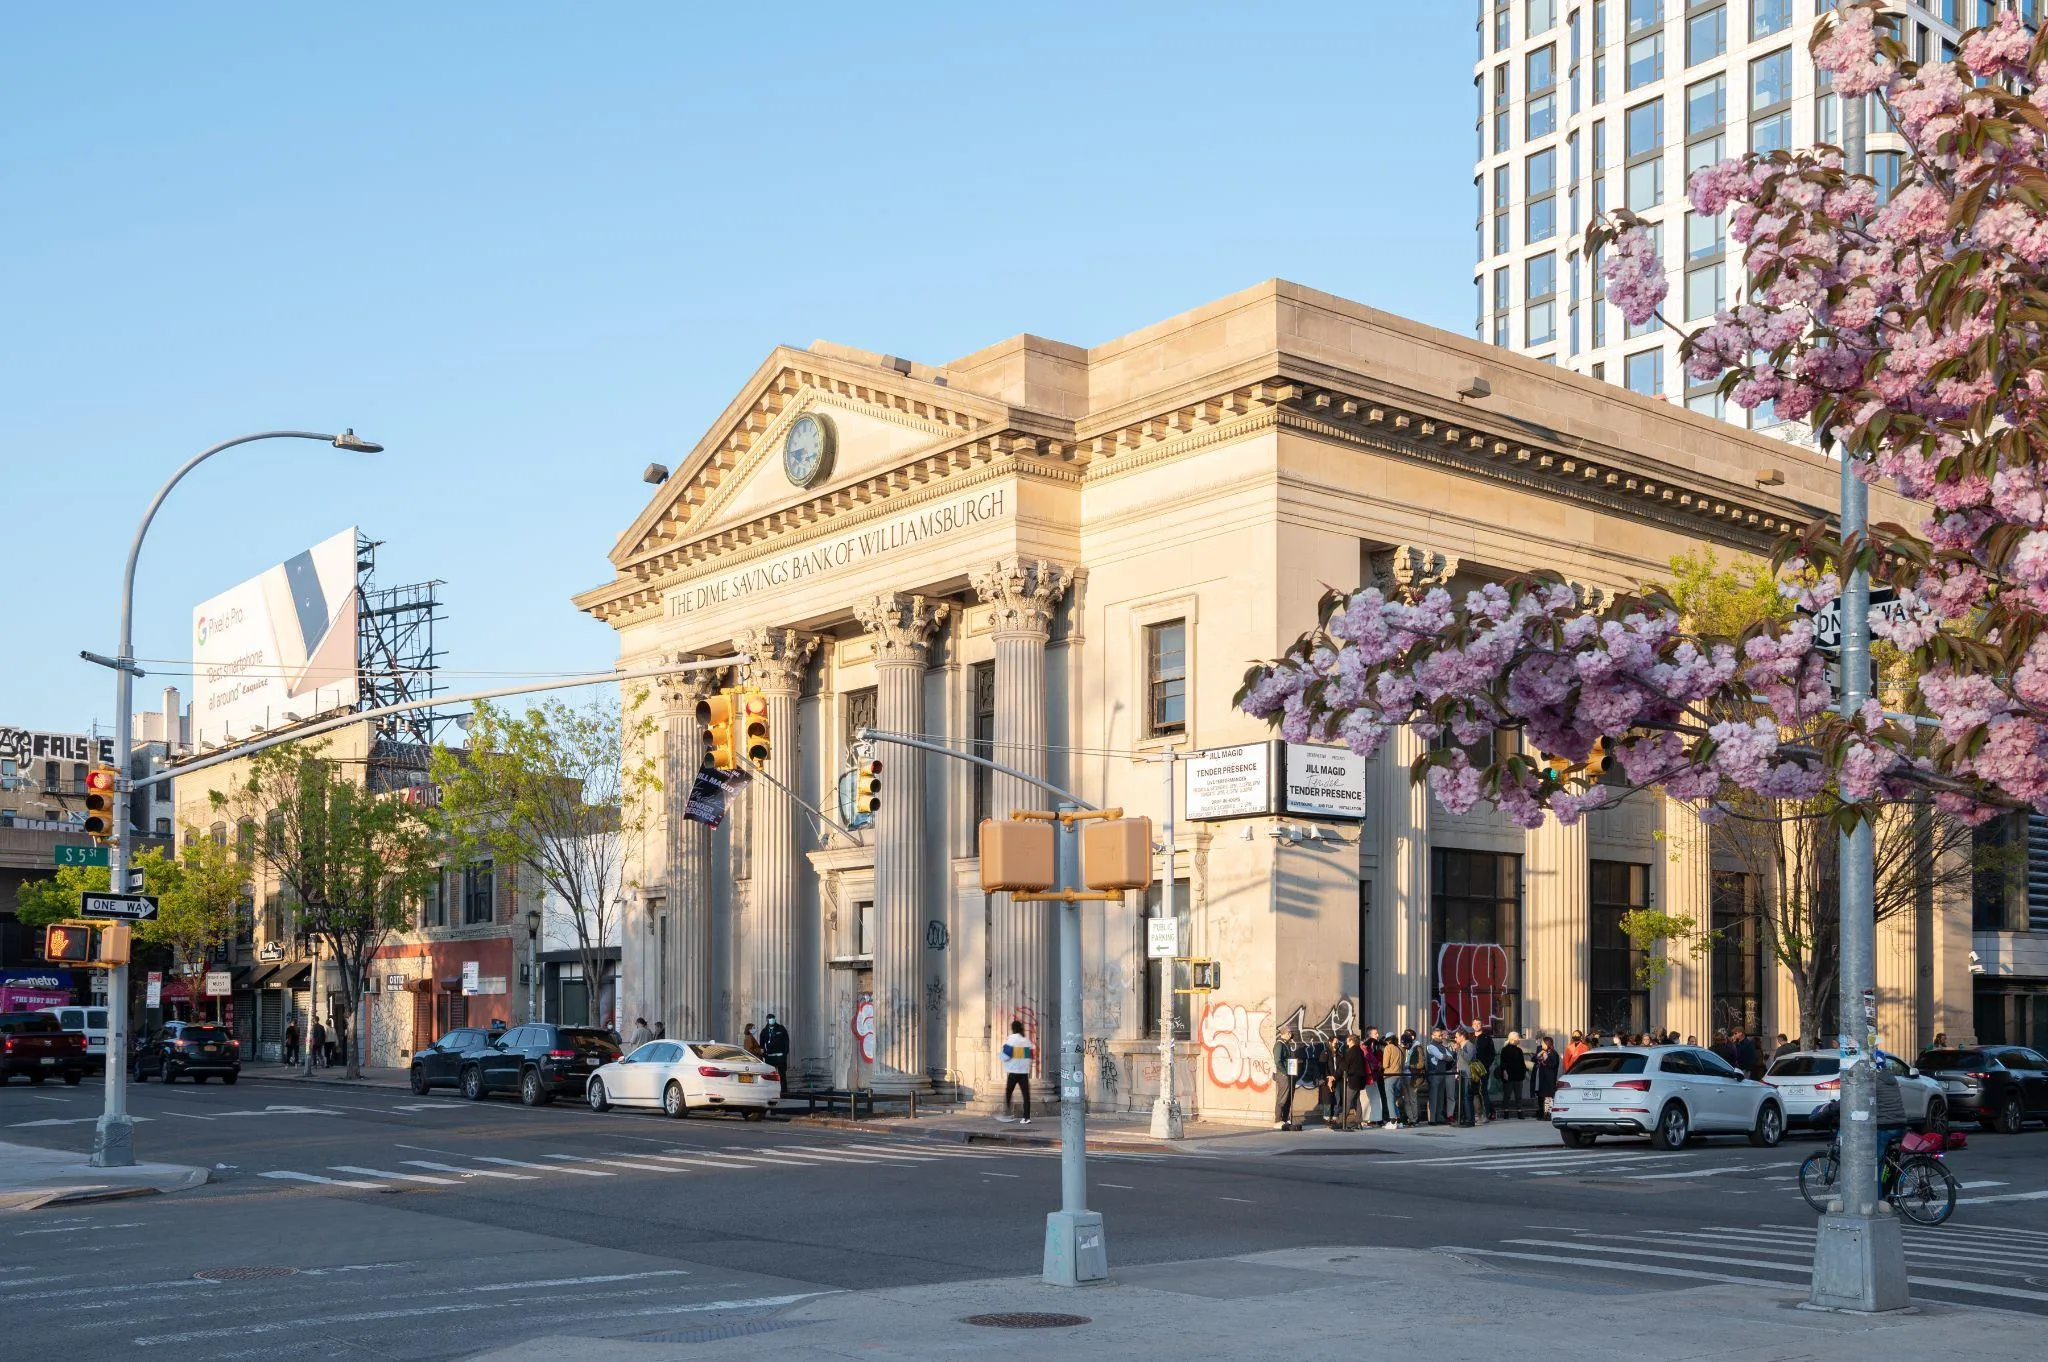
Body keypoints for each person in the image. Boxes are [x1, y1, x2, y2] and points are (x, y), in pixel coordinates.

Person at [1873, 1059, 1908, 1193]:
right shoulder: (1891, 1078)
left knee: (1876, 1163)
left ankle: (1878, 1199)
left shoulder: (1873, 1081)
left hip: (1885, 1126)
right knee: (1888, 1161)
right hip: (1900, 1125)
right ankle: (1888, 1190)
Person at [999, 1019, 1034, 1125]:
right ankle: (1027, 1117)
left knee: (1009, 1092)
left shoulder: (1011, 1039)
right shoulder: (1026, 1041)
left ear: (1013, 1028)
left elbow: (1005, 1056)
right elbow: (1031, 1056)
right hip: (1024, 1072)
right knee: (1026, 1095)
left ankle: (1007, 1113)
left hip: (1013, 1071)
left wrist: (1000, 1055)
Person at [1273, 1026, 1306, 1130]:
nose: (1291, 1034)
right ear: (1286, 1033)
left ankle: (1285, 1118)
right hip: (1283, 1075)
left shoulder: (1286, 1044)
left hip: (1290, 1074)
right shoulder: (1279, 1045)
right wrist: (1285, 1072)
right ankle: (1278, 1121)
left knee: (1288, 1098)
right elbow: (1278, 1061)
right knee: (1282, 1098)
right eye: (1290, 1032)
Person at [1335, 1033, 1367, 1131]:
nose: (1346, 1042)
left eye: (1348, 1040)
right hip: (1360, 1079)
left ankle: (1341, 1122)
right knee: (1357, 1101)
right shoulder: (1360, 1051)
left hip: (1353, 1079)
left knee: (1347, 1101)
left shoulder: (1351, 1051)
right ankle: (1358, 1122)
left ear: (1352, 1041)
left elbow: (1344, 1066)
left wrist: (1339, 1059)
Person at [1427, 1028, 1456, 1126]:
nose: (1440, 1037)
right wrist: (1446, 1057)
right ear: (1433, 1036)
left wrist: (1447, 1057)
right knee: (1434, 1097)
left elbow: (1450, 1056)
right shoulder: (1430, 1046)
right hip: (1434, 1073)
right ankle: (1432, 1119)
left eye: (1441, 1036)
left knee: (1440, 1097)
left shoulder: (1442, 1046)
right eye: (1438, 1036)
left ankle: (1438, 1117)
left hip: (1442, 1073)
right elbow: (1440, 1056)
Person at [1379, 1030, 1406, 1127]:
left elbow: (1385, 1064)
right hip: (1399, 1075)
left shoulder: (1388, 1048)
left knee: (1390, 1098)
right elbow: (1403, 1063)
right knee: (1396, 1098)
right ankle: (1398, 1120)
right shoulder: (1400, 1048)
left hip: (1390, 1075)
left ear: (1387, 1040)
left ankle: (1393, 1120)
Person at [1498, 1032, 1528, 1119]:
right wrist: (1504, 1072)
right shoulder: (1505, 1050)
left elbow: (1522, 1063)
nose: (1519, 1040)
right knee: (1508, 1094)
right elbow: (1503, 1063)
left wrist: (1524, 1072)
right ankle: (1507, 1111)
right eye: (1518, 1039)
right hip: (1510, 1075)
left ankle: (1518, 1111)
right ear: (1513, 1039)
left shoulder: (1519, 1050)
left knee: (1517, 1095)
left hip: (1517, 1075)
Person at [1363, 1026, 1388, 1126]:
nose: (1378, 1035)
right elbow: (1368, 1058)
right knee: (1371, 1098)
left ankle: (1380, 1118)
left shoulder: (1378, 1046)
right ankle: (1371, 1118)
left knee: (1380, 1097)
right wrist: (1378, 1063)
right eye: (1375, 1033)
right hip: (1370, 1076)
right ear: (1369, 1035)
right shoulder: (1365, 1046)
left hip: (1378, 1075)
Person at [1533, 1035, 1560, 1116]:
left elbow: (1553, 1065)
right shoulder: (1544, 1052)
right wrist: (1538, 1056)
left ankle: (1548, 1114)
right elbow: (1535, 1060)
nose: (1542, 1045)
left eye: (1543, 1043)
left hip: (1549, 1079)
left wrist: (1546, 1059)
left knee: (1548, 1097)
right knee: (1541, 1096)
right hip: (1543, 1078)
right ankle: (1541, 1113)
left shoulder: (1553, 1053)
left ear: (1547, 1044)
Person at [759, 1012, 790, 1078]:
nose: (772, 1020)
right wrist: (765, 1055)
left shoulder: (781, 1028)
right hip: (770, 1057)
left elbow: (786, 1041)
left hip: (780, 1056)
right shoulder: (764, 1031)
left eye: (773, 1018)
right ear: (767, 1020)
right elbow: (761, 1045)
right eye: (770, 1019)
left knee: (782, 1075)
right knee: (770, 1076)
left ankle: (783, 1088)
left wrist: (785, 1053)